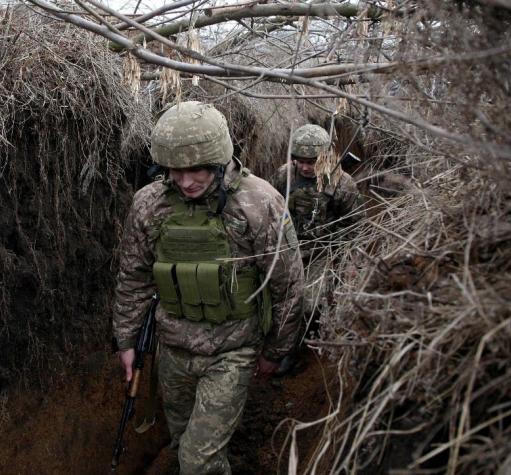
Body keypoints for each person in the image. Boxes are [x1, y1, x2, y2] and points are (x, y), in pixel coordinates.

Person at [112, 101, 304, 474]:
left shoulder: (258, 202)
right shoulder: (149, 205)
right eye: (175, 170)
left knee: (197, 461)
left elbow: (287, 284)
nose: (185, 182)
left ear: (218, 159)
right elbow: (134, 276)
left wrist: (276, 349)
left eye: (196, 169)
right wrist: (126, 341)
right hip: (173, 350)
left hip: (232, 351)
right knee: (184, 441)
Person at [270, 124, 360, 375]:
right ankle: (275, 342)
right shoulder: (282, 176)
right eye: (300, 161)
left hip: (322, 252)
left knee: (308, 304)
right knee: (277, 299)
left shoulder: (342, 184)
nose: (306, 167)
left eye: (312, 161)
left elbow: (354, 227)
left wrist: (349, 261)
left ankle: (296, 352)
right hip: (288, 248)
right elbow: (269, 209)